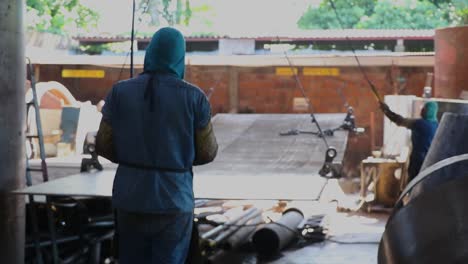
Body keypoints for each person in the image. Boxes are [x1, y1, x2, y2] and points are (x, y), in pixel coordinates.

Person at [95, 27, 218, 264]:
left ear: (149, 53)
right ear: (180, 57)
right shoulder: (195, 98)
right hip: (174, 200)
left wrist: (134, 157)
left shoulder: (119, 92)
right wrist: (177, 155)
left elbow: (103, 144)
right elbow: (207, 151)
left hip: (129, 197)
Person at [380, 101, 438, 182]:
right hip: (430, 162)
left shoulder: (419, 124)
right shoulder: (437, 125)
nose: (421, 110)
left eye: (424, 109)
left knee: (413, 184)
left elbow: (399, 120)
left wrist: (386, 111)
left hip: (418, 160)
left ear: (427, 111)